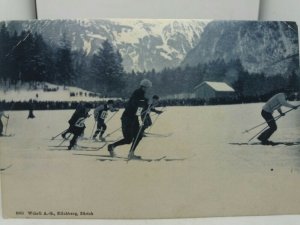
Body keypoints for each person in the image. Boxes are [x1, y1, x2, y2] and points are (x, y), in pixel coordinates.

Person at [107, 79, 152, 159]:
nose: (148, 89)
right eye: (148, 87)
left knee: (138, 136)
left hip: (133, 118)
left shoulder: (141, 94)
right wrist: (145, 104)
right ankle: (111, 146)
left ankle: (131, 153)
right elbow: (136, 105)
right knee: (128, 139)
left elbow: (139, 108)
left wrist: (146, 106)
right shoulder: (137, 93)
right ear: (144, 87)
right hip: (127, 118)